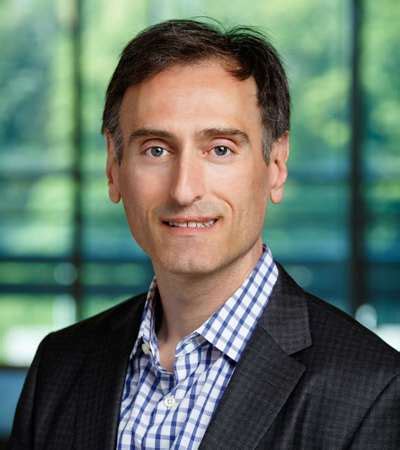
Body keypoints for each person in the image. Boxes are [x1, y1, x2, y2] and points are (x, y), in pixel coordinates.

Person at [10, 19, 400, 450]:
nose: (184, 189)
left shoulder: (371, 391)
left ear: (276, 165)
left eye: (220, 149)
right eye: (156, 149)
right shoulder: (59, 366)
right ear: (113, 165)